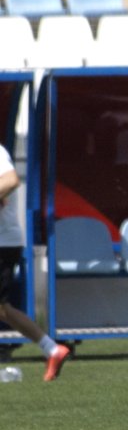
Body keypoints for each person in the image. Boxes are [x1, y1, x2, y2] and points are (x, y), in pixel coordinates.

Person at [0, 145, 70, 381]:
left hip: (2, 241)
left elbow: (10, 180)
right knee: (2, 309)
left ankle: (51, 348)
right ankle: (52, 349)